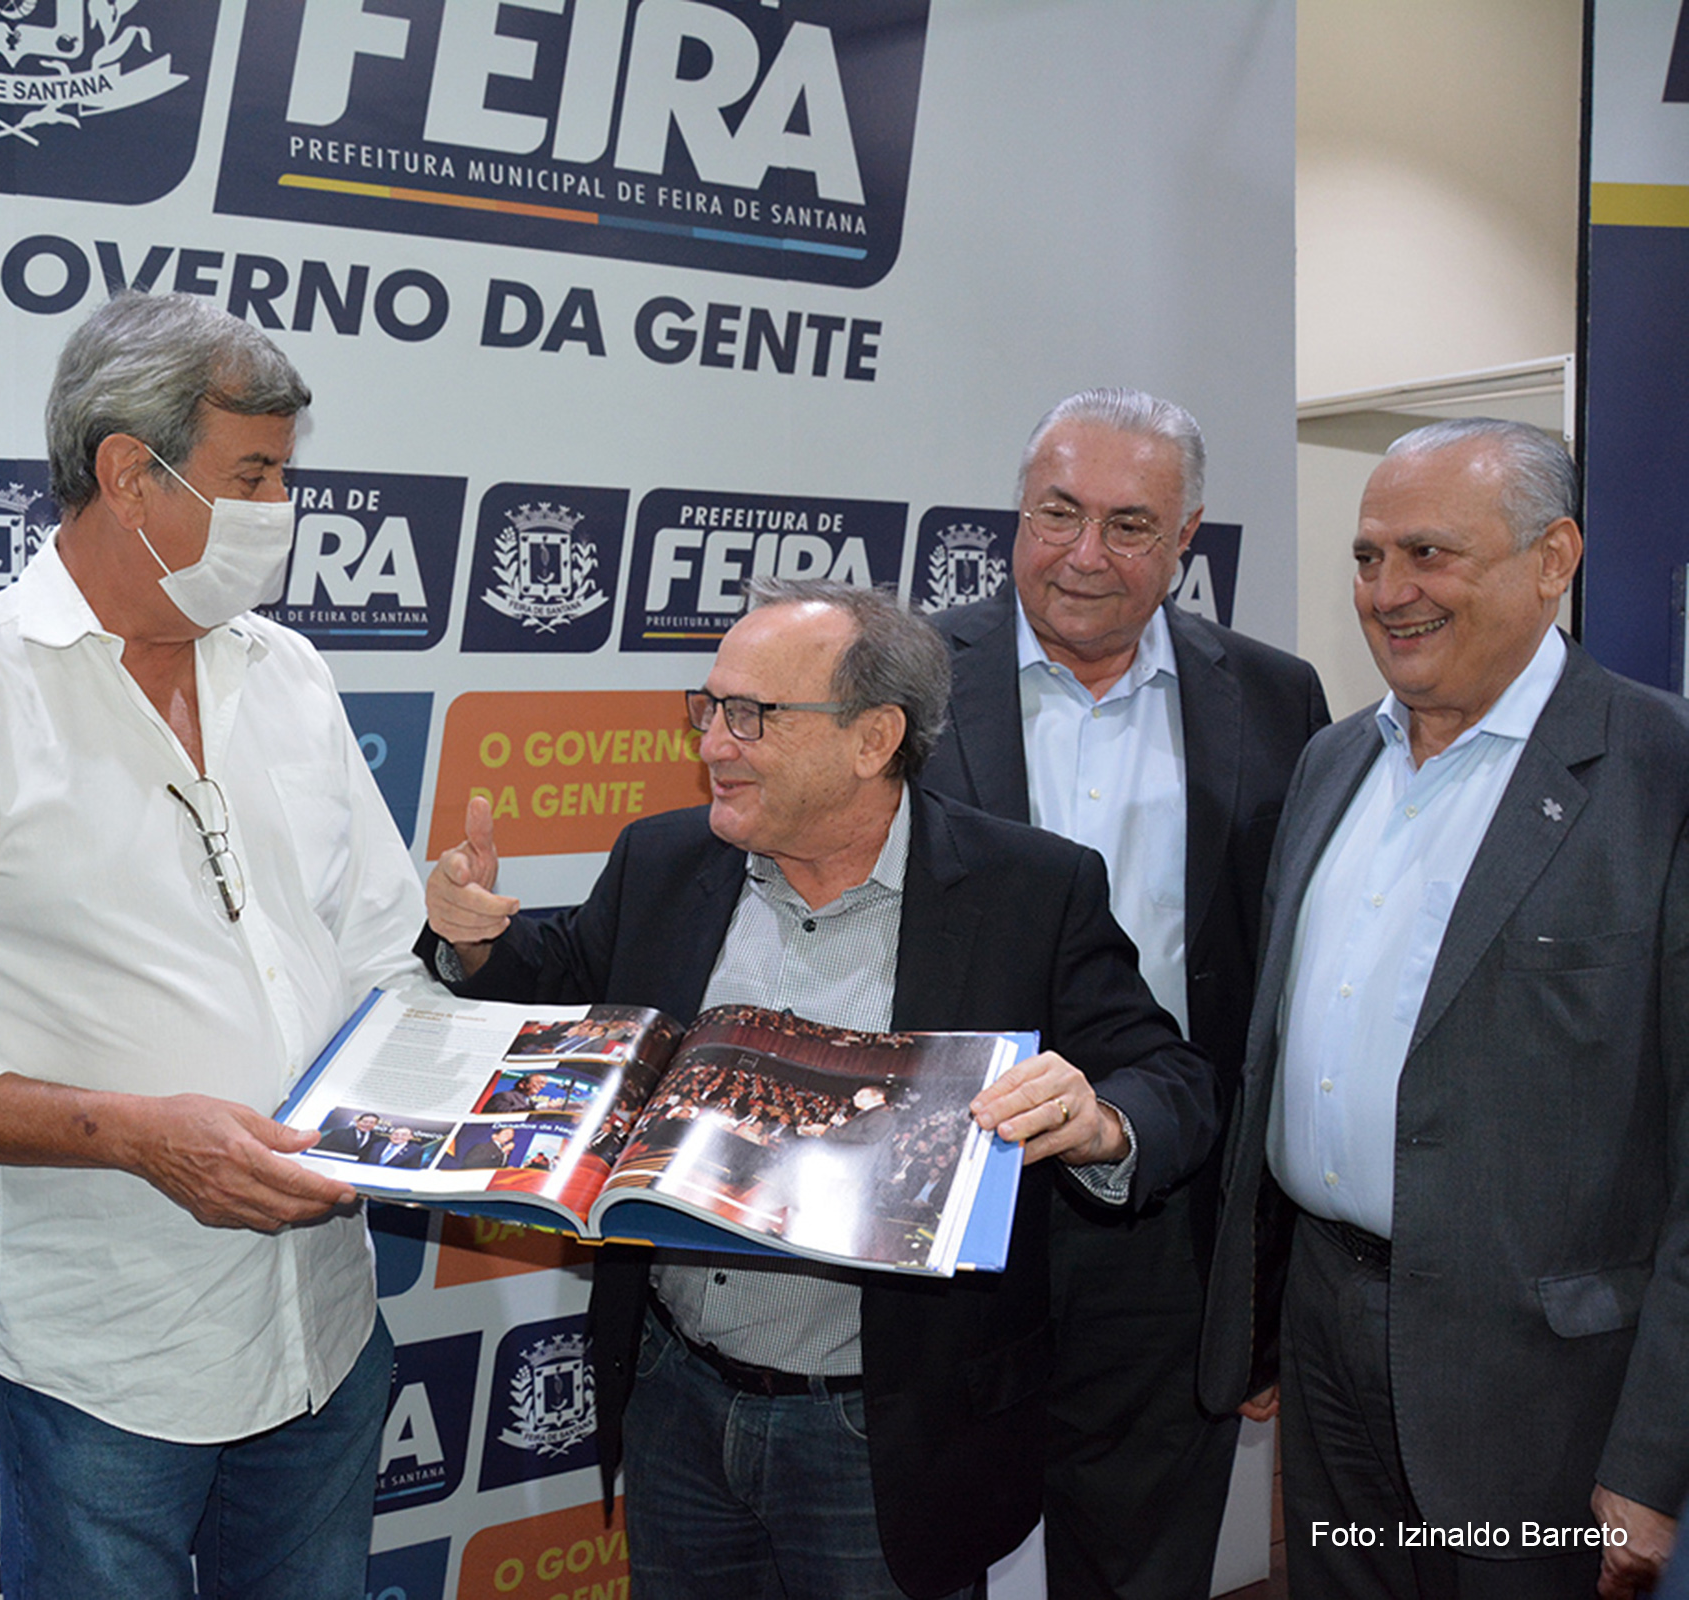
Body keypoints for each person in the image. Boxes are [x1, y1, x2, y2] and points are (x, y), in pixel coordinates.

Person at [424, 578, 1219, 1600]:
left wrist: (1101, 1121)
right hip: (677, 1392)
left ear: (873, 736)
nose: (713, 741)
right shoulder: (664, 859)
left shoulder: (1028, 890)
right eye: (707, 707)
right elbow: (562, 978)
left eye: (751, 715)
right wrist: (470, 939)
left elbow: (1171, 1078)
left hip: (884, 1424)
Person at [0, 292, 425, 1599]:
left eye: (286, 474)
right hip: (114, 1355)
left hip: (327, 1321)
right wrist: (138, 1133)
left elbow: (379, 958)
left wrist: (472, 1092)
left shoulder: (290, 675)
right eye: (254, 475)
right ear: (128, 475)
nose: (284, 511)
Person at [1199, 418, 1689, 1599]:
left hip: (1544, 1395)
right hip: (1326, 1338)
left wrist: (1651, 1460)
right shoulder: (1331, 764)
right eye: (1369, 558)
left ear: (1554, 557)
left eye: (1429, 554)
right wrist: (1265, 1310)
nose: (1389, 592)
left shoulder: (1660, 773)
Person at [917, 388, 1329, 1600]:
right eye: (1058, 512)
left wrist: (1270, 1260)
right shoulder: (904, 679)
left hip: (1168, 1218)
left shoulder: (1274, 697)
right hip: (948, 1208)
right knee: (919, 1559)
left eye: (1130, 524)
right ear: (1018, 514)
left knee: (1143, 1568)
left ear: (1187, 537)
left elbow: (1275, 980)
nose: (1085, 554)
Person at [314, 1111, 384, 1157]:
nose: (367, 1125)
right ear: (357, 1121)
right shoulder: (339, 1133)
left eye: (371, 1123)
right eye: (365, 1122)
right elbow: (320, 1148)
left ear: (375, 1125)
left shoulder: (378, 1139)